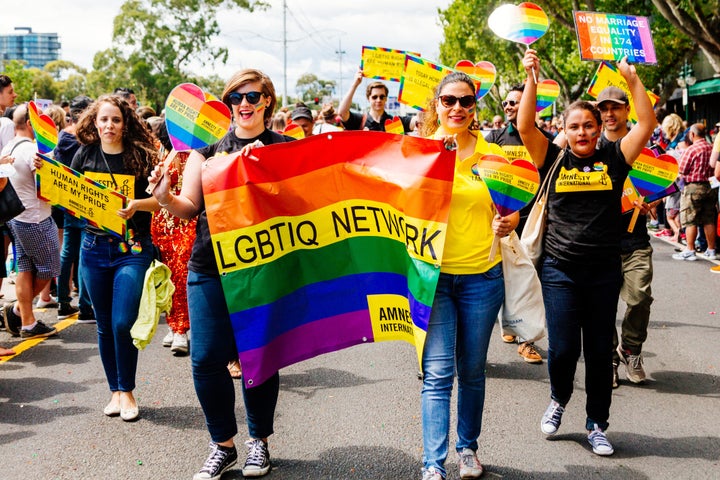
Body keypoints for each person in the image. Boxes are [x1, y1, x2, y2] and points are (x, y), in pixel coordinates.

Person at [149, 69, 294, 480]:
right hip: (209, 266)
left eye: (252, 96)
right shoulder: (206, 151)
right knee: (205, 358)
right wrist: (163, 196)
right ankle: (222, 444)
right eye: (235, 97)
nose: (243, 104)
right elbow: (188, 206)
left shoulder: (286, 148)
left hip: (263, 268)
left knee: (258, 357)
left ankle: (259, 443)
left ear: (267, 100)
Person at [518, 49, 654, 456]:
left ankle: (597, 423)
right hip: (560, 271)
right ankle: (559, 399)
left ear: (598, 130)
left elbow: (645, 123)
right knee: (562, 349)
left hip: (603, 273)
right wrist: (531, 77)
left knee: (597, 351)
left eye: (588, 126)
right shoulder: (552, 159)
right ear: (564, 128)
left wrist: (630, 77)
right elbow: (525, 127)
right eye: (574, 126)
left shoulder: (614, 159)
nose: (581, 132)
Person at [417, 72, 518, 480]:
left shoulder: (494, 154)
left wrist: (508, 221)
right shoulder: (418, 151)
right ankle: (432, 463)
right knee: (438, 372)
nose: (457, 107)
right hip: (433, 279)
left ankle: (467, 449)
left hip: (482, 276)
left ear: (475, 107)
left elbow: (512, 206)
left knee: (472, 369)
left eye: (466, 101)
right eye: (449, 100)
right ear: (437, 104)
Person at [67, 94, 159, 421]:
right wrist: (45, 173)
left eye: (116, 120)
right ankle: (116, 392)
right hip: (93, 249)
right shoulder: (83, 154)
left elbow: (159, 202)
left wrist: (137, 205)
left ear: (125, 124)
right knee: (104, 326)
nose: (109, 125)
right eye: (104, 119)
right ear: (94, 122)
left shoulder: (139, 157)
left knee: (123, 322)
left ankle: (129, 390)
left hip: (132, 250)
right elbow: (68, 197)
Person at [486, 84, 556, 364]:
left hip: (534, 222)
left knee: (531, 279)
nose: (509, 107)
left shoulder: (546, 140)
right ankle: (509, 324)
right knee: (504, 277)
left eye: (515, 102)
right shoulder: (495, 138)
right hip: (503, 220)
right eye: (506, 103)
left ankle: (528, 342)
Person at [594, 86, 655, 388]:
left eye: (615, 107)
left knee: (640, 298)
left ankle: (631, 348)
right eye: (603, 108)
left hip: (635, 242)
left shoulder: (642, 146)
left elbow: (658, 183)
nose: (609, 114)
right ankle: (609, 360)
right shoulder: (590, 147)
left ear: (627, 110)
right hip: (600, 244)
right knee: (602, 307)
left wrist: (652, 199)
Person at [1, 104, 60, 339]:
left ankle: (27, 321)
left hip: (16, 218)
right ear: (30, 124)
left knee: (25, 267)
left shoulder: (8, 146)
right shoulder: (32, 150)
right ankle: (20, 312)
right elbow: (47, 188)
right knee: (50, 268)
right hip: (36, 219)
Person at [150, 121, 195, 356]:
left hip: (188, 221)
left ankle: (181, 329)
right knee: (166, 275)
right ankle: (173, 324)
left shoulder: (200, 152)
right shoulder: (161, 150)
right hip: (163, 222)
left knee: (182, 273)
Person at [54, 95, 95, 323]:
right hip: (88, 201)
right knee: (85, 252)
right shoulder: (87, 139)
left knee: (68, 252)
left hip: (68, 201)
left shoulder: (62, 137)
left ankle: (62, 301)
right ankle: (86, 307)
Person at [672, 123, 717, 261]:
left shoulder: (692, 149)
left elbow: (682, 169)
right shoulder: (711, 147)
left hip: (693, 187)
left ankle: (690, 250)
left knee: (690, 219)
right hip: (710, 186)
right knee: (709, 219)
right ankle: (711, 249)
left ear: (692, 134)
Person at [337, 68, 412, 133]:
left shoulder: (395, 122)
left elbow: (417, 121)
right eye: (374, 97)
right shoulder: (359, 121)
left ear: (386, 98)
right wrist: (355, 84)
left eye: (382, 97)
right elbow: (342, 113)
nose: (378, 100)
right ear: (368, 98)